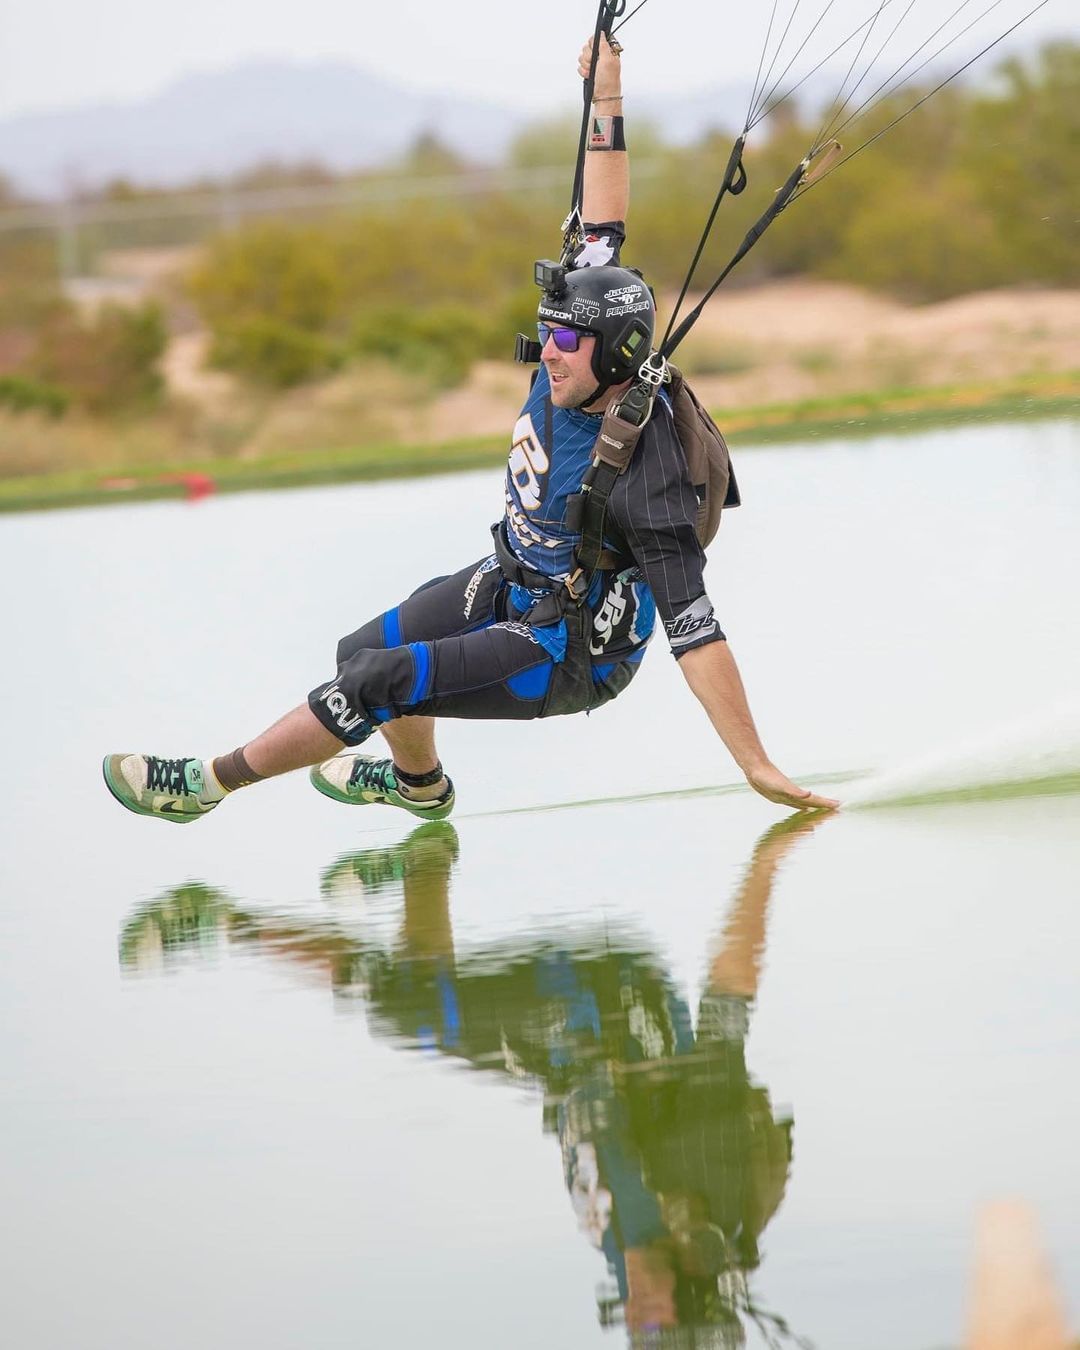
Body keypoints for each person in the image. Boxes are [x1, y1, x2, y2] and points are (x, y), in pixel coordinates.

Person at [102, 34, 838, 827]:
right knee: (361, 653)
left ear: (617, 352)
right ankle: (421, 786)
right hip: (512, 580)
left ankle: (204, 785)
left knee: (373, 685)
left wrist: (755, 764)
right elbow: (605, 215)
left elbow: (697, 633)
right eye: (545, 330)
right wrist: (610, 95)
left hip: (566, 654)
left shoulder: (647, 474)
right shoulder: (583, 340)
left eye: (564, 340)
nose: (545, 350)